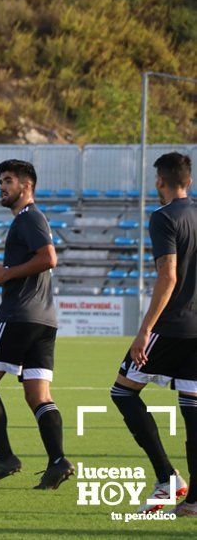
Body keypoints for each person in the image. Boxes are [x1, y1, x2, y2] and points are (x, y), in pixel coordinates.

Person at [0, 159, 73, 490]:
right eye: (1, 180)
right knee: (38, 395)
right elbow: (30, 271)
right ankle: (57, 461)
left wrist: (6, 273)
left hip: (17, 317)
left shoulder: (29, 217)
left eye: (8, 180)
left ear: (25, 185)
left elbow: (48, 258)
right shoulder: (28, 221)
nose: (2, 186)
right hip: (44, 321)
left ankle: (5, 458)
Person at [110, 152, 196, 516]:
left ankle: (167, 477)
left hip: (172, 325)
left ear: (160, 181)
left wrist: (144, 331)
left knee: (122, 391)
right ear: (188, 181)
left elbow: (168, 276)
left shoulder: (163, 217)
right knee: (193, 411)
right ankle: (192, 503)